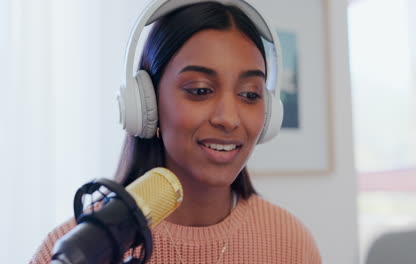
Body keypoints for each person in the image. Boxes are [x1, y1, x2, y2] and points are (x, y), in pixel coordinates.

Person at [30, 1, 322, 263]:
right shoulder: (76, 251)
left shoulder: (291, 242)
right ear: (147, 104)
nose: (229, 119)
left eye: (249, 95)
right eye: (200, 90)